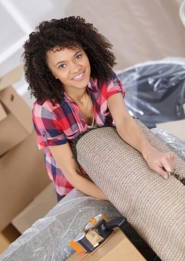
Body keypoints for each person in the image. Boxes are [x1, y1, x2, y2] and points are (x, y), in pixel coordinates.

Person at [23, 16, 176, 201]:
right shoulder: (46, 111)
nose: (76, 68)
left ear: (87, 52)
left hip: (109, 168)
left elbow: (124, 121)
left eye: (78, 56)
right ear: (50, 73)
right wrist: (118, 200)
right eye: (62, 65)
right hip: (77, 189)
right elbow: (73, 174)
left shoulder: (103, 78)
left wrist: (150, 153)